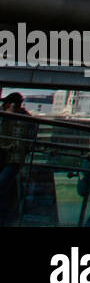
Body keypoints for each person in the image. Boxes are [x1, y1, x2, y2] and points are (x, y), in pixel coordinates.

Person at [0, 93, 35, 226]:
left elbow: (28, 141)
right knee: (6, 189)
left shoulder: (22, 119)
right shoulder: (6, 116)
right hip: (8, 159)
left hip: (12, 159)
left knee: (3, 187)